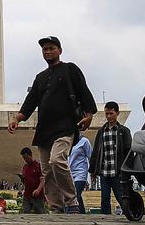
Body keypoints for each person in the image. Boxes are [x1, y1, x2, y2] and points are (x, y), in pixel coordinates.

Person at [8, 36, 97, 214]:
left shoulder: (70, 69)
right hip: (44, 130)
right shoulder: (40, 77)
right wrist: (18, 118)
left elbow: (83, 91)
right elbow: (30, 101)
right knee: (47, 171)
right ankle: (56, 207)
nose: (48, 51)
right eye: (45, 49)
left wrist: (89, 115)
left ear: (60, 50)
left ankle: (71, 202)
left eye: (51, 48)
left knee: (57, 160)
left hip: (65, 126)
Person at [89, 102, 131, 215]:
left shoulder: (123, 131)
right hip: (104, 171)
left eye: (111, 113)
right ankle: (105, 219)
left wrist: (127, 169)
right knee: (104, 199)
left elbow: (129, 151)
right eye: (106, 113)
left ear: (117, 113)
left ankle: (130, 214)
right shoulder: (101, 131)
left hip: (118, 171)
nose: (108, 116)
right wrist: (93, 170)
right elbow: (96, 151)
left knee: (121, 197)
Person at [19, 147, 47, 214]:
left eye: (26, 158)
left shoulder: (38, 165)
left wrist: (38, 190)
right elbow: (25, 182)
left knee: (40, 213)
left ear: (30, 155)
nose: (25, 160)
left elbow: (43, 180)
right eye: (24, 158)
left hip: (38, 195)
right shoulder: (25, 167)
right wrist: (22, 179)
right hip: (27, 195)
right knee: (25, 212)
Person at [69, 134, 91, 213]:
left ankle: (70, 214)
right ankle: (82, 214)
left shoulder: (84, 141)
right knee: (77, 197)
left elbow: (90, 157)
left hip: (80, 172)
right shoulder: (67, 141)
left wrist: (92, 173)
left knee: (75, 194)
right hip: (69, 173)